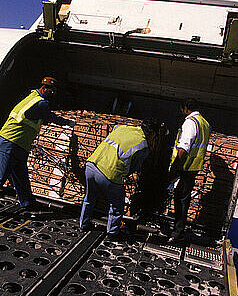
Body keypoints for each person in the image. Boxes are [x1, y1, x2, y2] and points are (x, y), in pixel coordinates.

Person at [0, 77, 75, 217]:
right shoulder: (41, 104)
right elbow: (50, 117)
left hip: (19, 145)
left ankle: (27, 203)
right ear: (44, 89)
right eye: (52, 91)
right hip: (9, 143)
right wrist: (67, 122)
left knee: (21, 176)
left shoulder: (32, 96)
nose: (53, 95)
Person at [79, 119, 167, 239]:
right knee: (116, 205)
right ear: (152, 134)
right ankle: (112, 233)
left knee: (89, 198)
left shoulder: (125, 127)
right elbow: (135, 167)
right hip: (109, 173)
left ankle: (83, 225)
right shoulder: (143, 146)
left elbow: (116, 129)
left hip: (91, 165)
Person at [168, 99, 210, 243]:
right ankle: (178, 231)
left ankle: (177, 233)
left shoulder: (191, 122)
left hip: (185, 167)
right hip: (193, 167)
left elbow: (184, 147)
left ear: (186, 109)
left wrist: (174, 168)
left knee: (180, 200)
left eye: (182, 109)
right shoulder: (204, 123)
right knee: (184, 199)